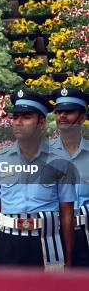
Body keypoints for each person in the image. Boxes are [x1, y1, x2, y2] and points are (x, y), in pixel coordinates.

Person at [0, 90, 75, 270]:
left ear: (41, 121)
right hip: (10, 242)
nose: (18, 122)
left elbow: (67, 214)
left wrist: (68, 262)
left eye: (26, 117)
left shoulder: (60, 161)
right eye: (15, 117)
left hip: (47, 241)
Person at [49, 87, 88, 267]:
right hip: (55, 233)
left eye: (69, 112)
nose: (62, 116)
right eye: (59, 112)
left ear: (83, 117)